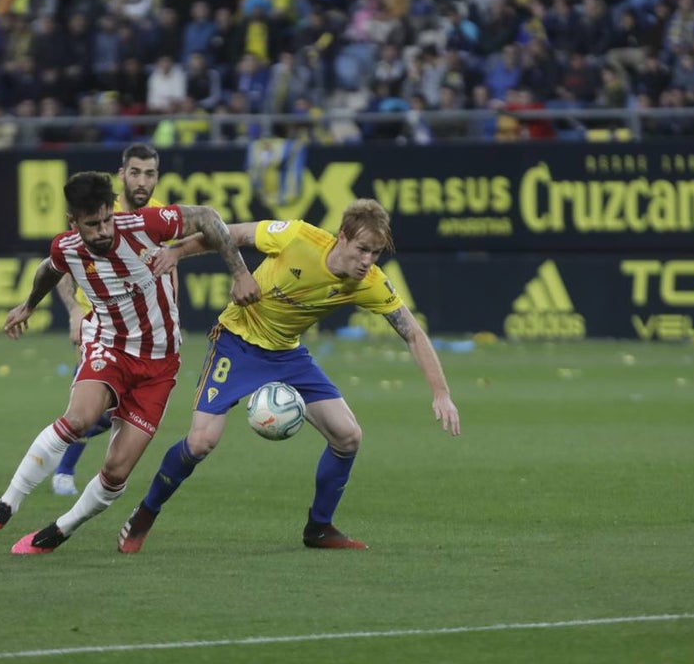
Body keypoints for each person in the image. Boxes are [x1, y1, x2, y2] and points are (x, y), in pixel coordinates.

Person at [118, 199, 461, 553]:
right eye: (362, 249)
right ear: (341, 237)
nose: (367, 261)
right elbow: (226, 233)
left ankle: (319, 528)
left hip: (287, 354)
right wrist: (176, 253)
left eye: (375, 253)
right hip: (237, 343)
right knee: (201, 442)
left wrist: (441, 393)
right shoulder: (297, 237)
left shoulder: (370, 282)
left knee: (348, 436)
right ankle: (146, 513)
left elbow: (413, 334)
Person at [0, 168, 260, 554]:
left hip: (159, 364)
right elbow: (48, 269)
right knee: (79, 419)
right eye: (92, 224)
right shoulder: (68, 246)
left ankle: (61, 529)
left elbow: (207, 216)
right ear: (74, 222)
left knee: (116, 471)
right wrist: (28, 305)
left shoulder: (143, 224)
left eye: (107, 218)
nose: (104, 230)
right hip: (109, 346)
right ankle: (6, 505)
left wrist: (239, 271)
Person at [49, 144, 173, 497]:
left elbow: (167, 268)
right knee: (96, 405)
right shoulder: (102, 213)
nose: (142, 180)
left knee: (109, 413)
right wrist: (74, 311)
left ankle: (69, 459)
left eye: (149, 174)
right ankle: (64, 469)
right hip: (97, 322)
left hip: (142, 331)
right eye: (135, 172)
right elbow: (62, 263)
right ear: (122, 174)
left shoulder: (160, 218)